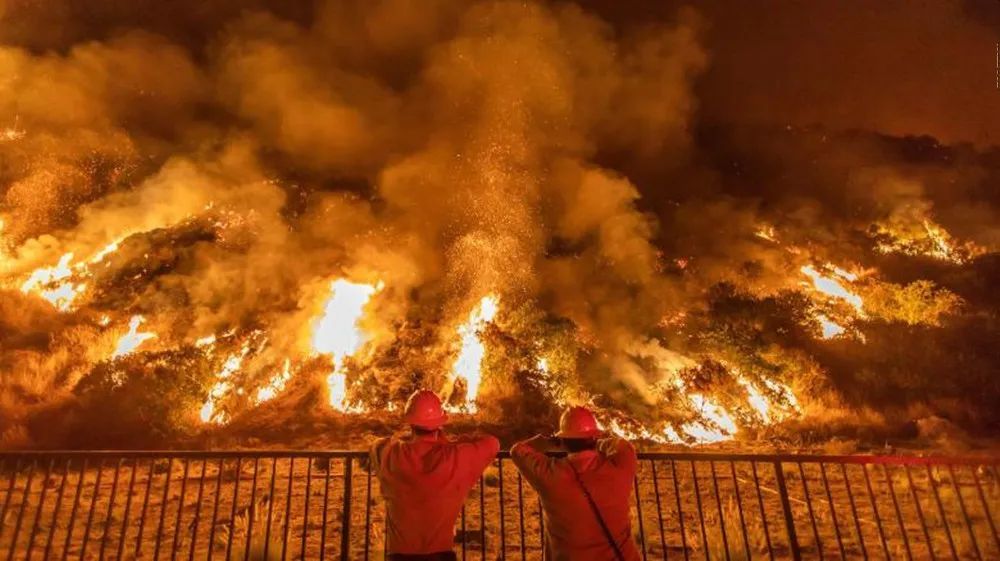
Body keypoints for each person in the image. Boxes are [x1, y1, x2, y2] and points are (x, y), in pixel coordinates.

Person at [370, 389, 500, 561]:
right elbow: (492, 443)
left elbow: (377, 444)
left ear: (410, 423)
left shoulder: (390, 454)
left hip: (398, 556)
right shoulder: (456, 456)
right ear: (440, 423)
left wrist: (405, 440)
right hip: (440, 555)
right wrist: (454, 441)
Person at [511, 406, 641, 561]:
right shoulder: (619, 467)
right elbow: (624, 446)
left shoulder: (549, 475)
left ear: (562, 440)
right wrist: (598, 443)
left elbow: (517, 450)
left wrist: (547, 442)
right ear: (593, 437)